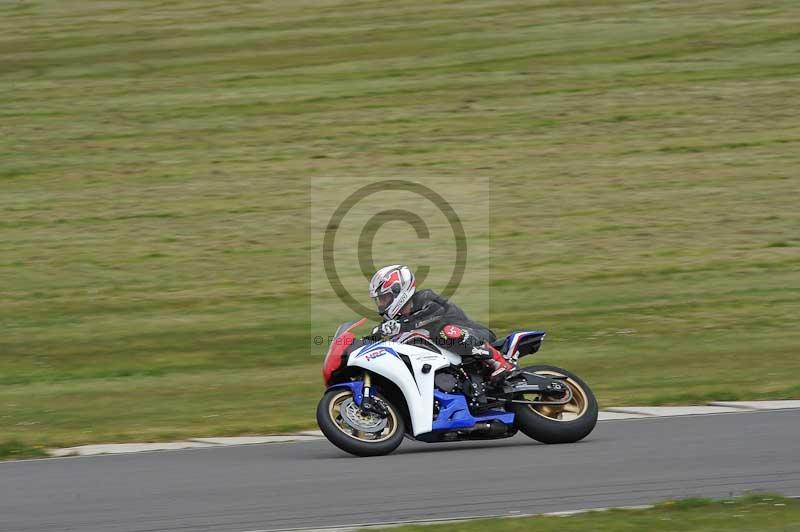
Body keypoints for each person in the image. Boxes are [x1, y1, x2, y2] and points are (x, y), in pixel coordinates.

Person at [367, 264, 515, 383]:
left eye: (385, 298)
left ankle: (499, 361)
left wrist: (400, 327)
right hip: (450, 357)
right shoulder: (395, 320)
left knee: (445, 331)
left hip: (477, 335)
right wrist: (370, 339)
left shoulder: (426, 299)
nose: (382, 304)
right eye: (380, 300)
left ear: (398, 291)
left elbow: (431, 318)